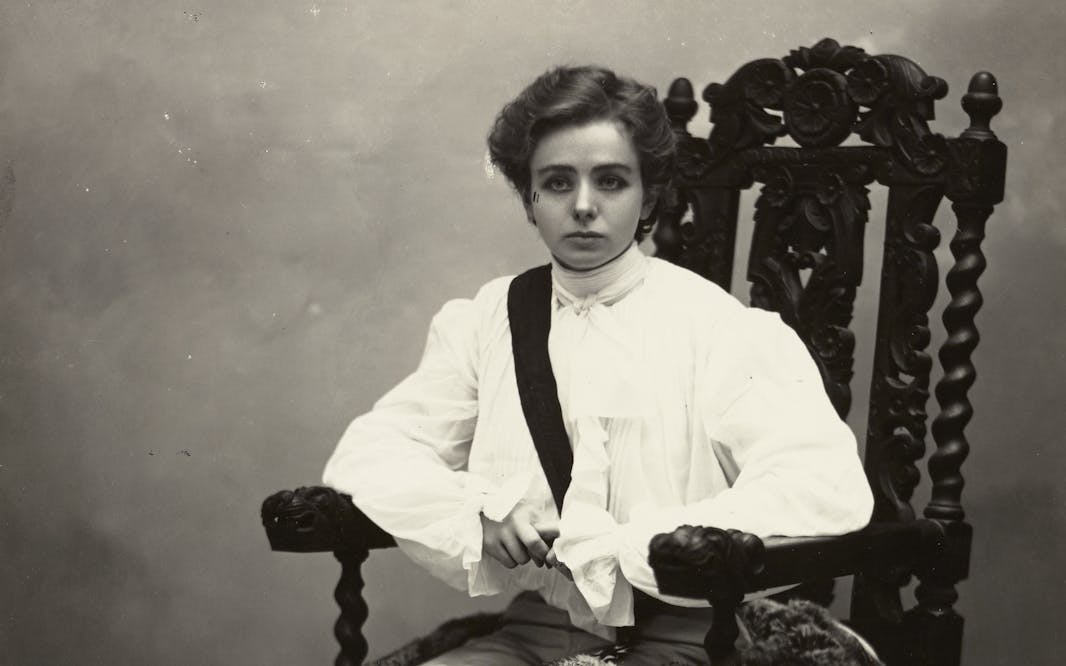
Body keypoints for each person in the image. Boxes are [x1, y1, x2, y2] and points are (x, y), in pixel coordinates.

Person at [322, 65, 874, 665]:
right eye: (557, 183)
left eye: (610, 181)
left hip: (686, 634)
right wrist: (472, 511)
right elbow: (373, 453)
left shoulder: (716, 328)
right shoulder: (490, 320)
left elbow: (821, 484)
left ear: (650, 196)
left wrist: (640, 544)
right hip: (533, 632)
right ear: (529, 199)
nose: (583, 206)